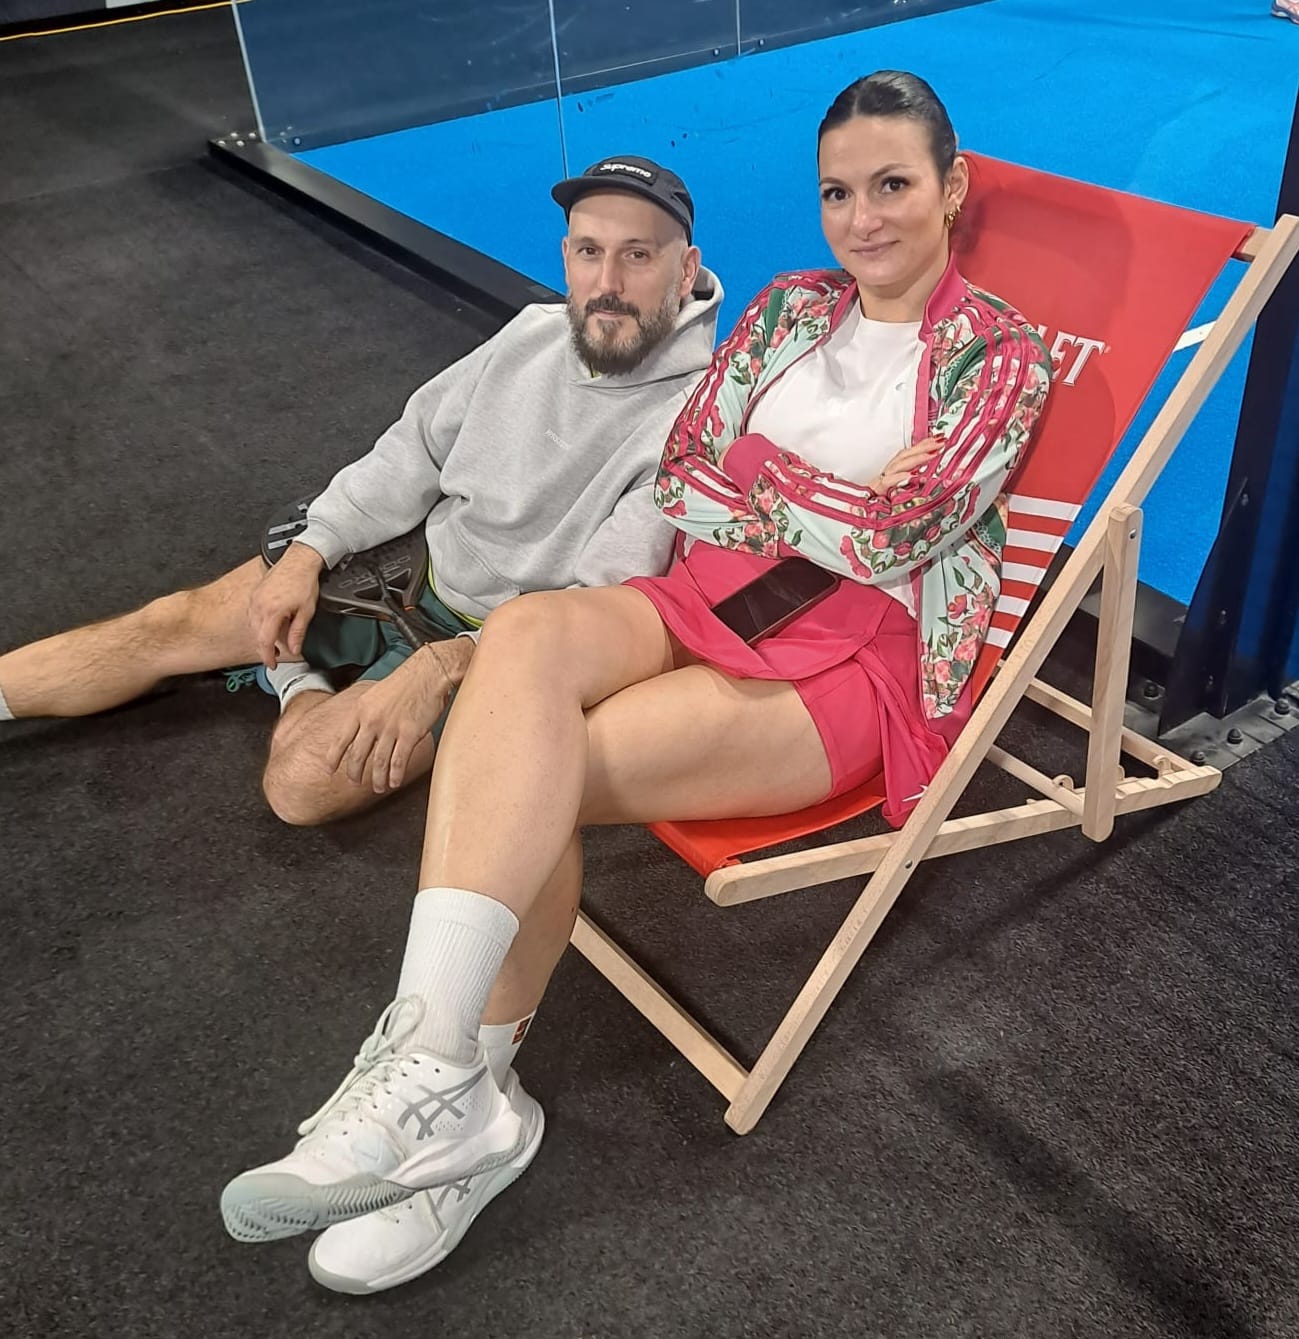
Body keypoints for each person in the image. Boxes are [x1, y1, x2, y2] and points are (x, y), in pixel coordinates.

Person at [220, 71, 1053, 1294]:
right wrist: (827, 492)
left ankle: (454, 1109)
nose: (862, 218)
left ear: (952, 185)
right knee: (525, 644)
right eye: (837, 192)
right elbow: (687, 479)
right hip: (705, 595)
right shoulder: (790, 307)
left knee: (529, 767)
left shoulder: (1004, 354)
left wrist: (767, 471)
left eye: (892, 185)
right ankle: (448, 1076)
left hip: (852, 658)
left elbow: (895, 543)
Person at [0, 157, 721, 824]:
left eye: (638, 255)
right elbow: (414, 450)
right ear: (566, 257)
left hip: (501, 648)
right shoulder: (531, 333)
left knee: (301, 784)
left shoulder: (694, 422)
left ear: (685, 268)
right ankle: (287, 663)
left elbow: (596, 613)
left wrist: (446, 664)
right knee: (168, 622)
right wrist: (310, 551)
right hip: (412, 565)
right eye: (590, 251)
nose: (607, 283)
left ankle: (290, 676)